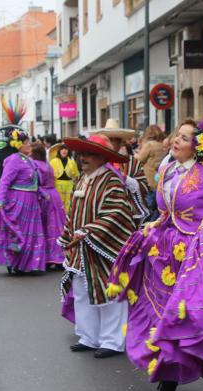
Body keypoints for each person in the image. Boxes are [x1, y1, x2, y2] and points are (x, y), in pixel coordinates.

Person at [108, 120, 203, 391]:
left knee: (202, 318)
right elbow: (167, 210)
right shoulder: (167, 168)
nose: (176, 140)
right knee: (165, 316)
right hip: (165, 254)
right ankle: (168, 382)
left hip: (198, 254)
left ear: (198, 147)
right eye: (177, 135)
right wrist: (156, 222)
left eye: (185, 138)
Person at [58, 134, 135, 359]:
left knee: (109, 294)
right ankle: (88, 337)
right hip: (81, 249)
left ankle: (112, 341)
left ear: (102, 157)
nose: (83, 158)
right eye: (82, 154)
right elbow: (73, 212)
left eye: (89, 154)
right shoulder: (83, 178)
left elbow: (117, 212)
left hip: (104, 249)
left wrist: (90, 230)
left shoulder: (111, 180)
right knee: (83, 292)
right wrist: (66, 235)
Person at [0, 127, 47, 274]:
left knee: (31, 233)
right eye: (27, 143)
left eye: (29, 142)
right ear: (18, 145)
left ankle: (27, 264)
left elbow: (33, 182)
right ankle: (16, 263)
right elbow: (4, 181)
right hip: (19, 202)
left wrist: (42, 192)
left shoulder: (29, 160)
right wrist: (0, 200)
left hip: (32, 203)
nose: (30, 145)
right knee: (20, 233)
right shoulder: (14, 160)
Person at [89, 118, 150, 225]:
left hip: (127, 216)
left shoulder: (132, 162)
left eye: (113, 140)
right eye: (107, 139)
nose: (109, 143)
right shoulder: (96, 163)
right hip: (100, 214)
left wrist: (127, 180)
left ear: (120, 142)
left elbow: (144, 187)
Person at [30, 143, 66, 268]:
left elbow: (35, 183)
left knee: (44, 227)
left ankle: (46, 257)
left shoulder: (34, 165)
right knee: (56, 226)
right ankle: (59, 257)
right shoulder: (48, 165)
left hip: (44, 197)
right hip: (54, 195)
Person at [49, 144, 79, 214]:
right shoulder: (53, 161)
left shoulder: (72, 162)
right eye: (62, 149)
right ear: (59, 151)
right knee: (58, 203)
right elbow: (49, 175)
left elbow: (76, 175)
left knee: (68, 204)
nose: (64, 151)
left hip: (69, 185)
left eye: (66, 149)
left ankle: (67, 220)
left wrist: (75, 185)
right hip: (57, 185)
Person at [135, 125, 167, 191]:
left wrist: (135, 155)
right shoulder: (161, 146)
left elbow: (140, 159)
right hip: (158, 179)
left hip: (149, 179)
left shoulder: (149, 145)